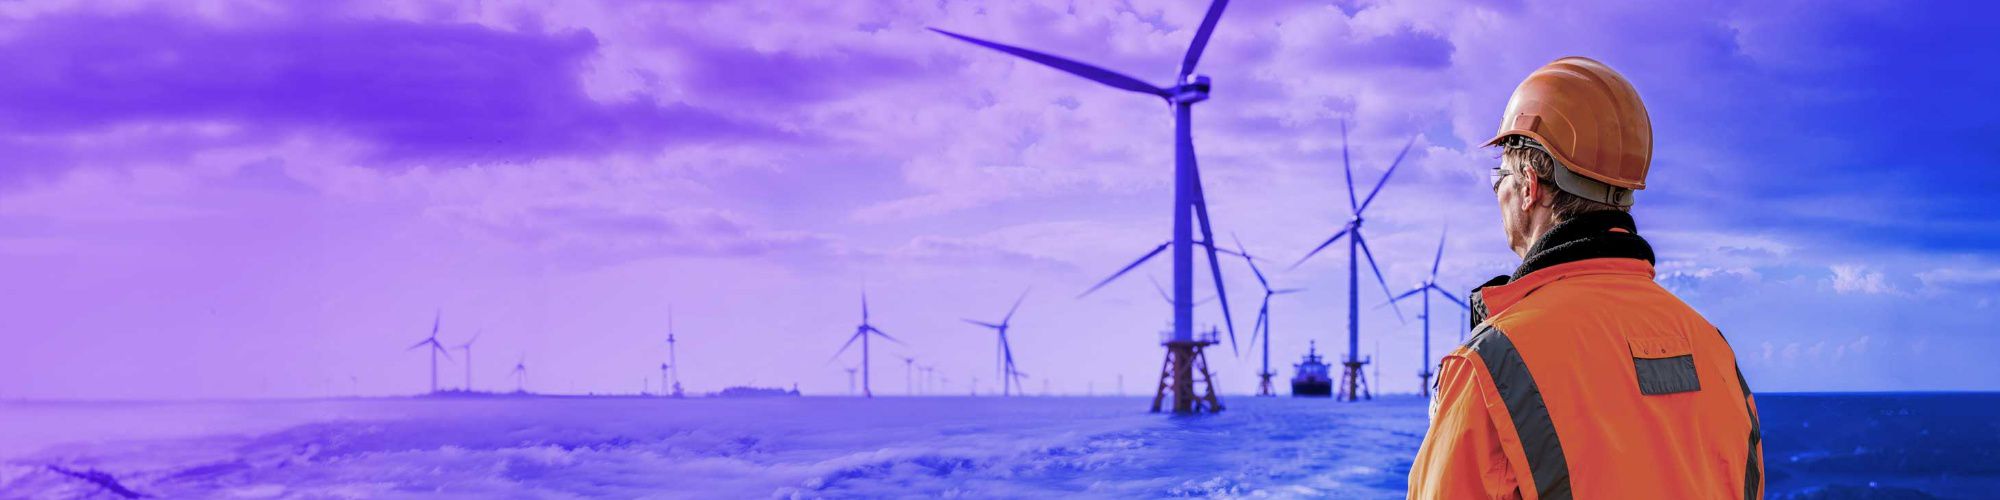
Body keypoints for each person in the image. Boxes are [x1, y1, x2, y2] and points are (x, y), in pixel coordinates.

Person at [1407, 57, 1763, 499]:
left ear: (1529, 186)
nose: (1497, 191)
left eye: (1499, 175)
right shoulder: (1715, 352)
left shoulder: (1491, 368)